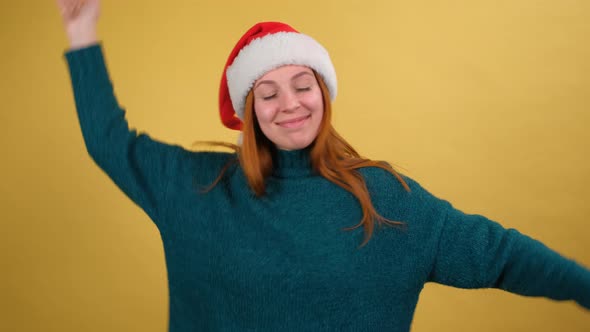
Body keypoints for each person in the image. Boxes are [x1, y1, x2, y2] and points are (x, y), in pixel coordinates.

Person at [57, 0, 590, 331]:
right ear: (249, 112)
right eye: (267, 93)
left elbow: (499, 255)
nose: (288, 104)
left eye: (302, 85)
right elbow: (109, 141)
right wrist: (82, 33)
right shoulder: (196, 188)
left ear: (324, 93)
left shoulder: (387, 201)